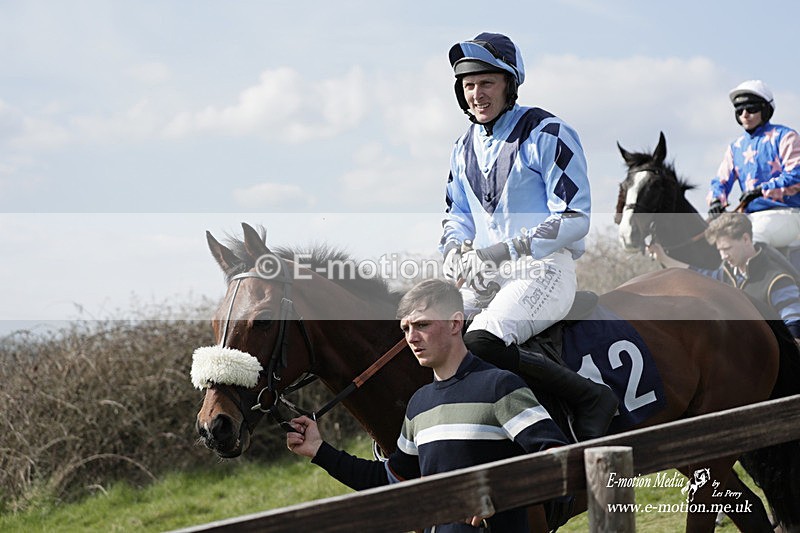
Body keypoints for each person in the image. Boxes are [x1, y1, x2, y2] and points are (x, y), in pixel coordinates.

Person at [439, 32, 617, 440]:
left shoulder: (548, 132)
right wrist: (453, 251)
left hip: (545, 270)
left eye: (487, 83)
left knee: (481, 342)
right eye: (468, 85)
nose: (477, 94)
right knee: (434, 334)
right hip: (488, 277)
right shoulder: (461, 147)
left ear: (509, 84)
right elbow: (456, 216)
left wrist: (503, 249)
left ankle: (591, 397)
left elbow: (574, 217)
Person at [286, 279, 571, 532]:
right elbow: (392, 481)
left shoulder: (500, 387)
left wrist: (497, 492)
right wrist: (320, 451)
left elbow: (560, 459)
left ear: (455, 324)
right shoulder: (419, 405)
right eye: (406, 328)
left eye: (422, 324)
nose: (411, 337)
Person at [648, 213, 800, 341]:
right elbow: (695, 275)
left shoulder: (777, 280)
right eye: (720, 250)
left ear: (746, 239)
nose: (723, 256)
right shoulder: (726, 275)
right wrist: (663, 258)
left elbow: (794, 321)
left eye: (727, 248)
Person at [707, 80, 800, 253]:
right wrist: (716, 200)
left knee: (753, 237)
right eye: (740, 110)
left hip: (788, 214)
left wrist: (761, 190)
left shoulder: (786, 136)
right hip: (750, 218)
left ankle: (784, 280)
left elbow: (796, 176)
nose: (745, 114)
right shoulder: (736, 147)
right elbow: (720, 180)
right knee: (719, 241)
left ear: (765, 110)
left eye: (751, 109)